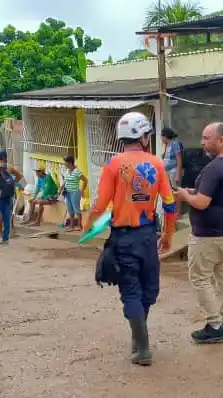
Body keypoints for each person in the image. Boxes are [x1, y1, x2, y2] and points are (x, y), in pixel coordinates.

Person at [84, 111, 177, 367]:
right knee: (149, 289)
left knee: (132, 291)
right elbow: (170, 205)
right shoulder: (157, 164)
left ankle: (141, 345)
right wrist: (168, 235)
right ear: (144, 136)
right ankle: (140, 341)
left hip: (123, 238)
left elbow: (101, 204)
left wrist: (88, 225)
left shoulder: (113, 165)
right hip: (148, 237)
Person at [174, 122, 223, 344]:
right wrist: (194, 192)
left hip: (208, 235)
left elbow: (202, 203)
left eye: (207, 138)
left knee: (200, 278)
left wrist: (185, 196)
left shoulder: (214, 168)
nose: (202, 142)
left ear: (221, 140)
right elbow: (216, 194)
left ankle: (214, 325)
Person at [59, 156, 86, 231]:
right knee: (70, 209)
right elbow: (65, 182)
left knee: (76, 209)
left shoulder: (77, 171)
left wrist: (82, 190)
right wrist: (60, 190)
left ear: (70, 162)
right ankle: (72, 225)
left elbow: (85, 180)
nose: (64, 164)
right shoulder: (66, 171)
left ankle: (80, 226)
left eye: (65, 162)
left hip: (75, 192)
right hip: (67, 192)